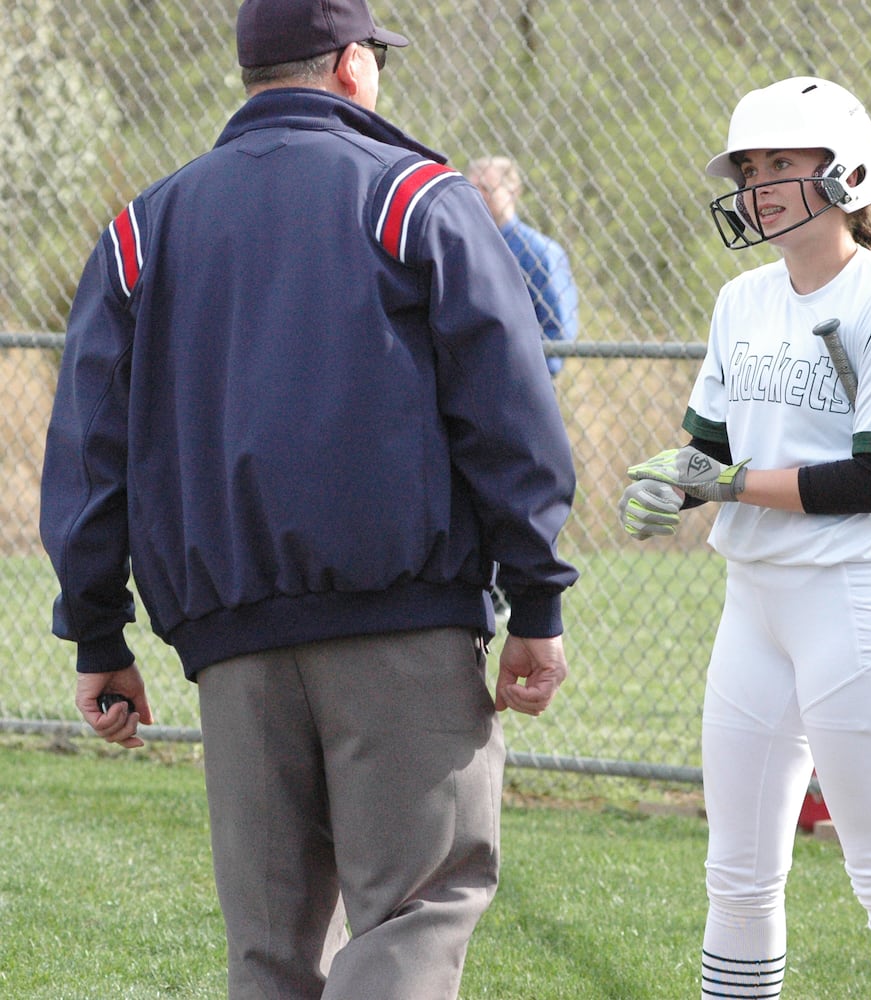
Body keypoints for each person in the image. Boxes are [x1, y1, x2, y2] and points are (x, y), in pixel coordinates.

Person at [39, 2, 578, 997]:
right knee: (415, 911)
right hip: (402, 624)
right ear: (348, 67)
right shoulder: (414, 194)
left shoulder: (139, 230)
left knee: (272, 951)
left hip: (231, 644)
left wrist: (98, 637)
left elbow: (88, 454)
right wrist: (536, 599)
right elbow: (508, 414)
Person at [619, 77, 871, 999]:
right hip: (755, 602)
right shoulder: (742, 300)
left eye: (781, 163)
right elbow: (712, 446)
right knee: (734, 875)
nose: (758, 184)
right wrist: (672, 480)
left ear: (844, 172)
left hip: (855, 601)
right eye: (750, 167)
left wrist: (724, 486)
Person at [466, 155, 578, 378]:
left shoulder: (538, 252)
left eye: (487, 188)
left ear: (513, 192)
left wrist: (529, 378)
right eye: (471, 188)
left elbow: (557, 333)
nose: (477, 196)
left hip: (519, 381)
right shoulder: (464, 245)